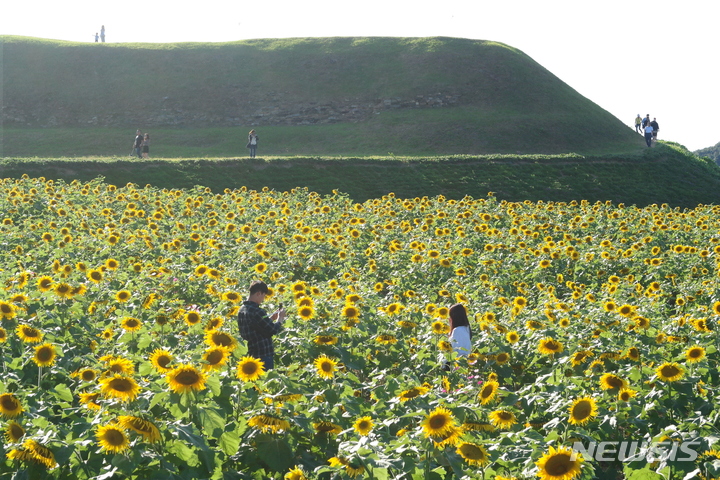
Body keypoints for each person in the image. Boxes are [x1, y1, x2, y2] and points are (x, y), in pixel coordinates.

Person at [237, 280, 286, 370]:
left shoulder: (241, 310)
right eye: (263, 296)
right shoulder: (257, 311)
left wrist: (271, 318)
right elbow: (273, 330)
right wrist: (280, 318)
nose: (263, 299)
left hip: (252, 353)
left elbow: (256, 326)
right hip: (264, 354)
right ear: (259, 293)